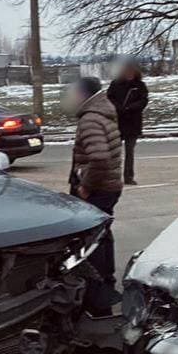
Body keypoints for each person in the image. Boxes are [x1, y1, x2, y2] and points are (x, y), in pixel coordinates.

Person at [66, 76, 123, 316]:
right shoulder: (103, 112)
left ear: (83, 94)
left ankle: (97, 299)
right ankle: (105, 289)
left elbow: (99, 158)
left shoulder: (90, 118)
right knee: (102, 238)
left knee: (92, 245)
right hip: (109, 187)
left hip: (97, 190)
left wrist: (85, 186)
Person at [107, 62, 148, 185]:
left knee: (130, 152)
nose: (129, 74)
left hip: (133, 122)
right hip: (118, 122)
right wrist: (119, 108)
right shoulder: (115, 84)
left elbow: (143, 100)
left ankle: (129, 177)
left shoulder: (140, 85)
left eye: (131, 72)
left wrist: (131, 108)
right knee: (114, 153)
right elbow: (109, 98)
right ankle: (112, 177)